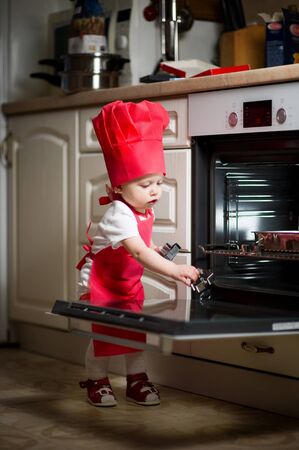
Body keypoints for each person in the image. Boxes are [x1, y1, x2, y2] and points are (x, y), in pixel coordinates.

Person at [77, 99, 200, 407]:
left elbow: (142, 246)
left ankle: (136, 380)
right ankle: (96, 380)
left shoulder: (143, 208)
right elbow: (139, 253)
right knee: (105, 334)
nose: (155, 191)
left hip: (126, 282)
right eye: (146, 184)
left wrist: (156, 248)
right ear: (118, 187)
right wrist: (174, 270)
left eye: (158, 182)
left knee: (134, 332)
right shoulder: (118, 212)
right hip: (102, 284)